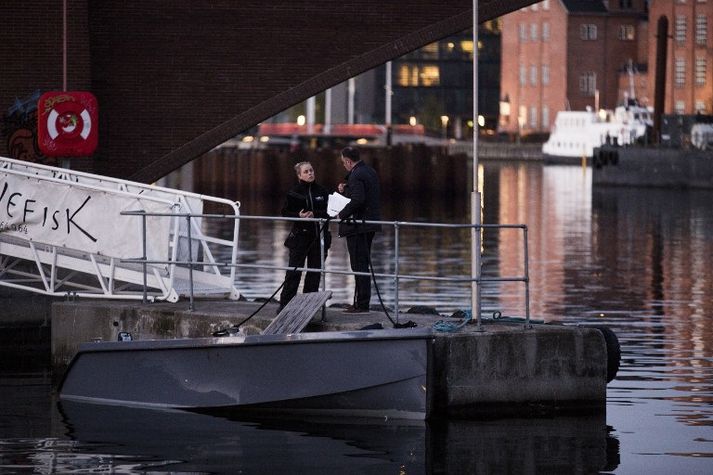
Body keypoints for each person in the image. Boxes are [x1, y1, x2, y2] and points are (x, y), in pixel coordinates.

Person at [278, 161, 331, 311]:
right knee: (294, 272)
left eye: (311, 170)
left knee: (314, 273)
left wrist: (316, 214)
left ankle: (308, 306)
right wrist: (298, 215)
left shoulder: (322, 191)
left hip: (319, 236)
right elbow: (285, 212)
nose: (310, 173)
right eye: (306, 171)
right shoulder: (294, 192)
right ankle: (285, 305)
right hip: (300, 237)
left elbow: (330, 212)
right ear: (299, 175)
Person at [336, 146, 381, 314]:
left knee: (358, 265)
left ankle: (361, 304)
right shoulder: (369, 171)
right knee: (363, 264)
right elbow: (366, 193)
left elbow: (358, 200)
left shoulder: (356, 175)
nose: (343, 166)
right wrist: (347, 188)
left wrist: (342, 213)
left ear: (348, 161)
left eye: (343, 163)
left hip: (358, 227)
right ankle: (360, 302)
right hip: (370, 225)